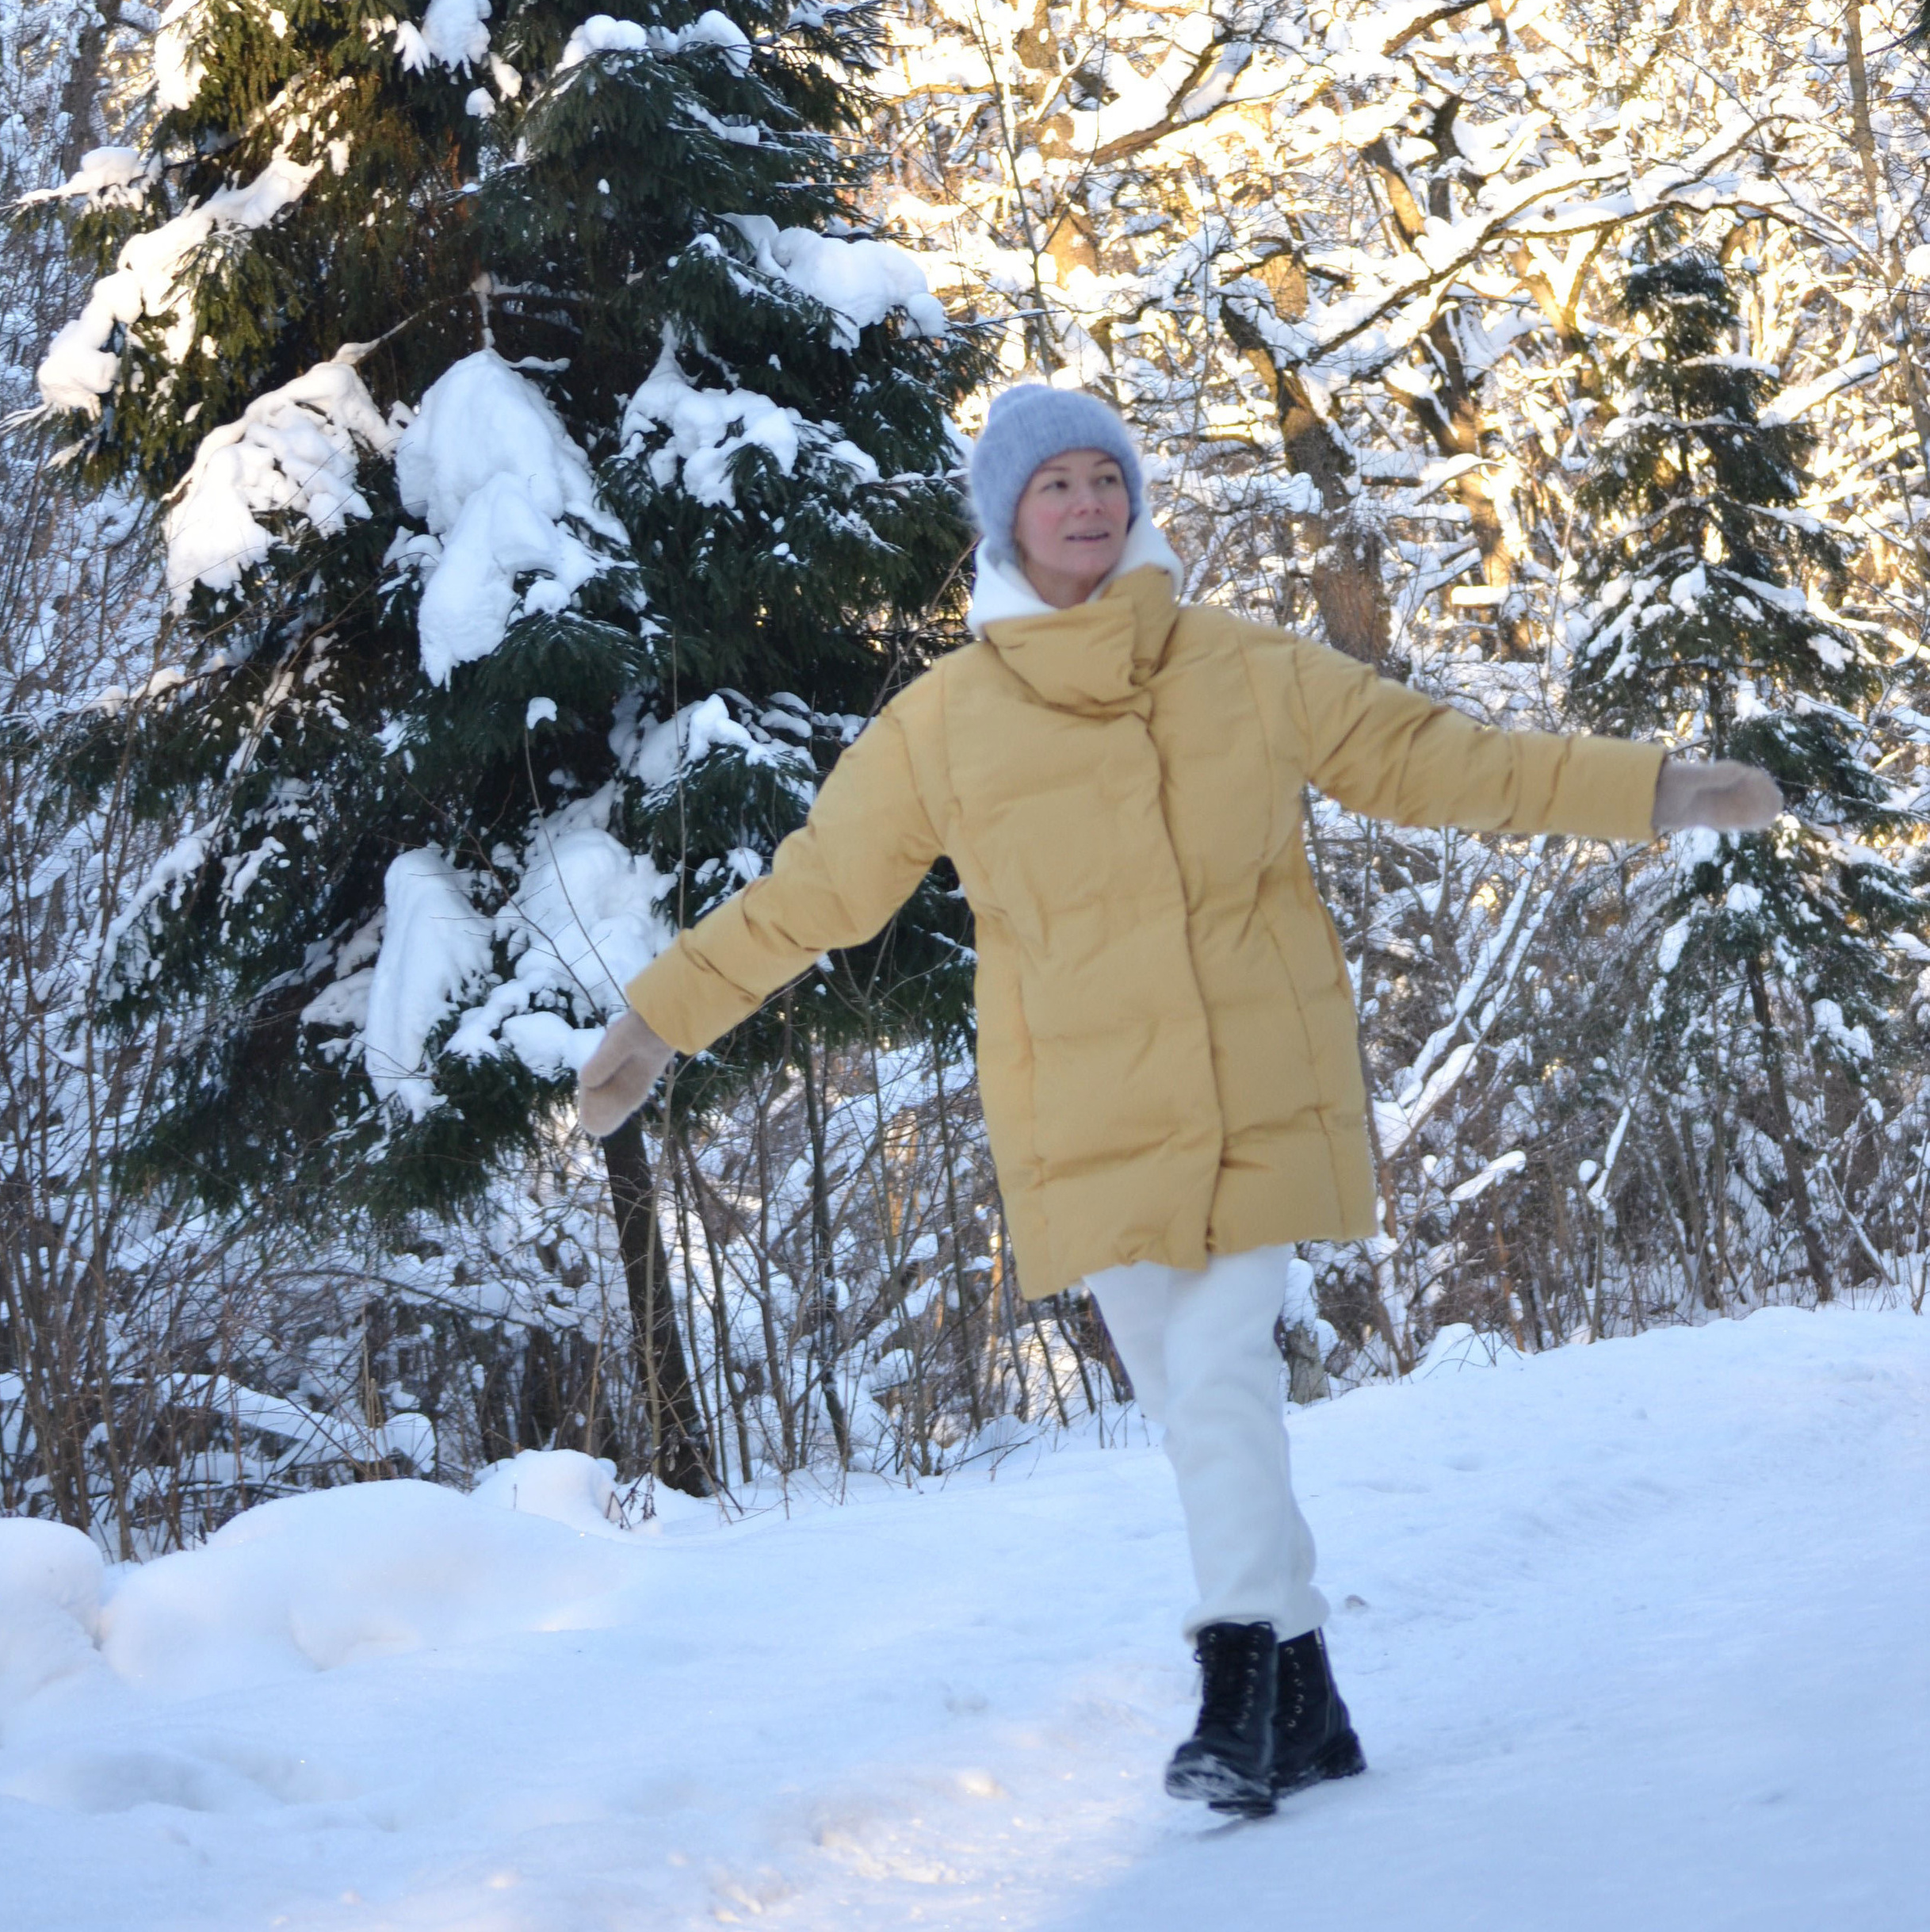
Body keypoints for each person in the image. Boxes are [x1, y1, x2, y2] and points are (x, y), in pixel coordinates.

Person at [578, 382, 1782, 1818]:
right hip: (1079, 1118)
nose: (1089, 504)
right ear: (1007, 521)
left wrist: (1651, 791)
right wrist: (661, 1017)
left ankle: (1233, 1687)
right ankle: (1312, 1698)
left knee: (1220, 1378)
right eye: (1055, 487)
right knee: (1203, 1413)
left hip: (1251, 1085)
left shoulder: (1243, 668)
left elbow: (1436, 758)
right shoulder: (944, 723)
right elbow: (819, 894)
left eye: (1107, 478)